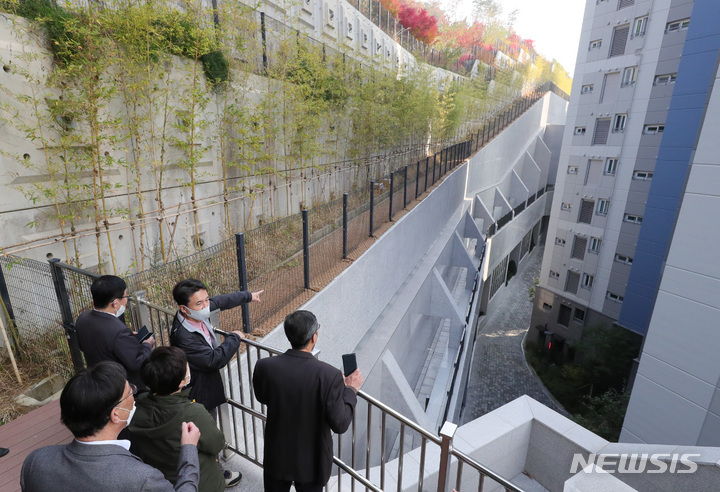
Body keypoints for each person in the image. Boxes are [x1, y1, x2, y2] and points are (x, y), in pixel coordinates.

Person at [20, 361, 201, 492]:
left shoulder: (36, 461)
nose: (133, 394)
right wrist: (189, 450)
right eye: (130, 392)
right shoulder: (142, 479)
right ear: (116, 414)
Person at [252, 310, 363, 492]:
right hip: (312, 462)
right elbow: (340, 423)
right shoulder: (329, 375)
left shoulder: (265, 366)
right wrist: (350, 389)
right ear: (314, 338)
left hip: (277, 455)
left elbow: (262, 397)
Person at [130, 346, 241, 490]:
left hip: (164, 479)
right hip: (201, 481)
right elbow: (217, 443)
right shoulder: (193, 413)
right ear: (181, 381)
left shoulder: (137, 405)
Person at [170, 279, 262, 416]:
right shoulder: (184, 337)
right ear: (184, 308)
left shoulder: (194, 312)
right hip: (198, 394)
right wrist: (234, 337)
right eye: (199, 303)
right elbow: (214, 360)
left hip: (206, 384)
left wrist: (248, 296)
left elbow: (220, 301)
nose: (206, 306)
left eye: (206, 299)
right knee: (206, 427)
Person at [75, 275, 155, 389]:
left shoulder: (83, 318)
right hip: (121, 386)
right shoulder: (118, 331)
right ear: (115, 303)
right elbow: (136, 362)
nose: (126, 300)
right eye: (125, 296)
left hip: (98, 379)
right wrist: (148, 345)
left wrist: (124, 340)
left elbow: (83, 346)